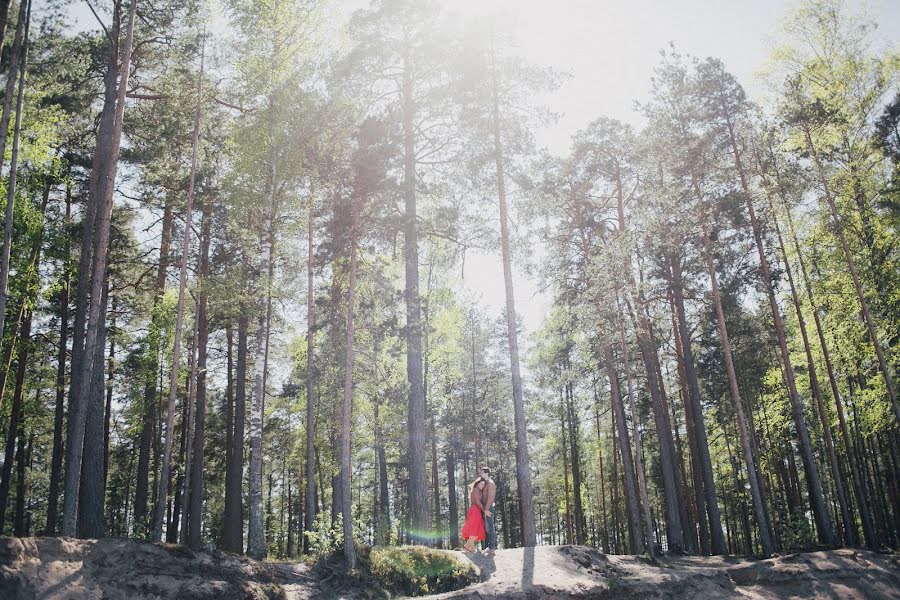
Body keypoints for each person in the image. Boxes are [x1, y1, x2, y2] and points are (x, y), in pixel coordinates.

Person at [461, 478, 487, 552]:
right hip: (475, 510)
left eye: (483, 484)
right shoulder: (476, 489)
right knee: (474, 529)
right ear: (477, 483)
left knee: (477, 529)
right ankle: (471, 548)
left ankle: (467, 546)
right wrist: (484, 510)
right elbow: (478, 502)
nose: (482, 485)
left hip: (476, 510)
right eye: (481, 484)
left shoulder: (478, 490)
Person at [480, 467, 497, 556]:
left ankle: (492, 548)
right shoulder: (486, 483)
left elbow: (491, 497)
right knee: (487, 527)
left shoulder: (491, 483)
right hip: (486, 508)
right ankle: (490, 547)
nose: (480, 474)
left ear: (486, 473)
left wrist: (486, 509)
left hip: (488, 508)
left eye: (482, 472)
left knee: (490, 527)